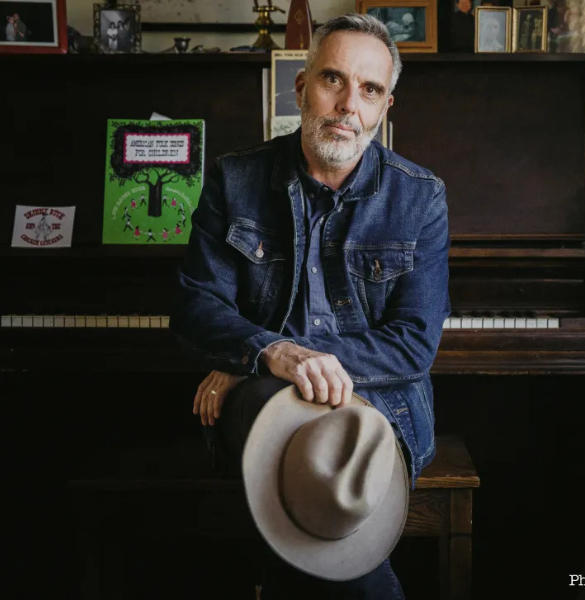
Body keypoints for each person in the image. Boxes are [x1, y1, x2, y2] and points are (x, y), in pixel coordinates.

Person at [170, 13, 450, 599]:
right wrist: (268, 353)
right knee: (289, 451)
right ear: (301, 88)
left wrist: (266, 353)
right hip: (262, 398)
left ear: (385, 106)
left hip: (379, 404)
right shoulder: (234, 180)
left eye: (369, 90)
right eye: (333, 80)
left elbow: (413, 344)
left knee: (312, 479)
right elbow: (196, 306)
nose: (349, 104)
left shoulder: (420, 197)